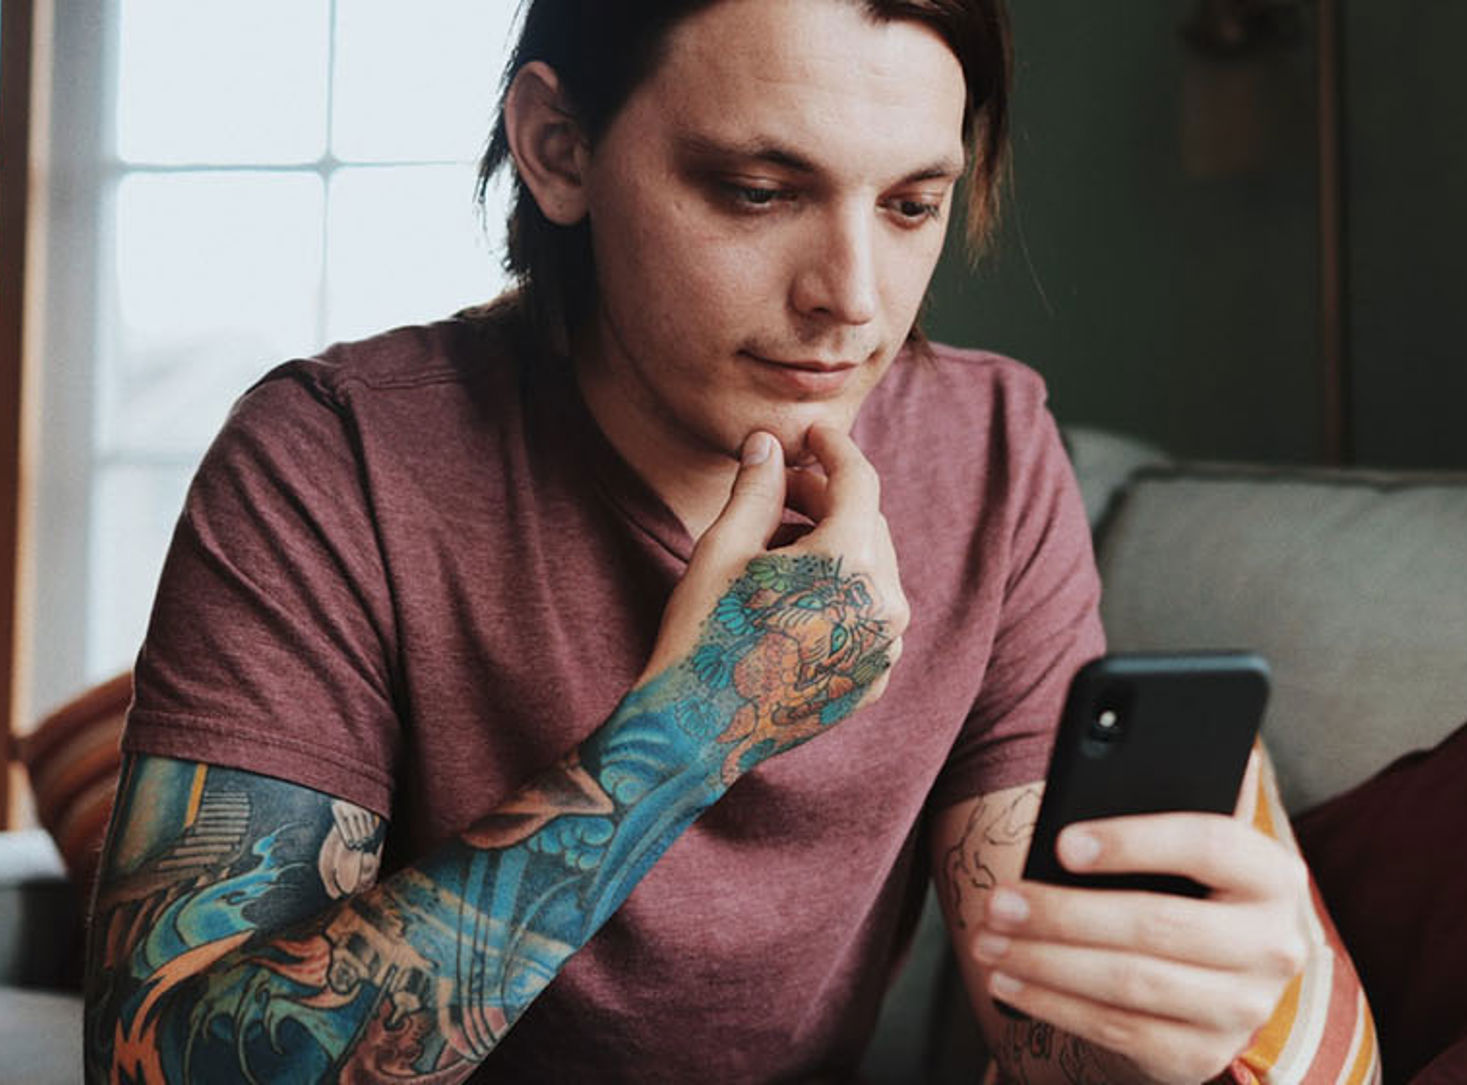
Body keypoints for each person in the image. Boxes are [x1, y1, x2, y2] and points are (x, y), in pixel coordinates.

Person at [82, 1, 1338, 1081]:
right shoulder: (333, 457)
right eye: (758, 190)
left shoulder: (992, 446)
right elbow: (167, 1058)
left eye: (911, 204)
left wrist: (1171, 1020)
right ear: (557, 150)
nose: (851, 294)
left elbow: (1044, 1028)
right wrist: (689, 732)